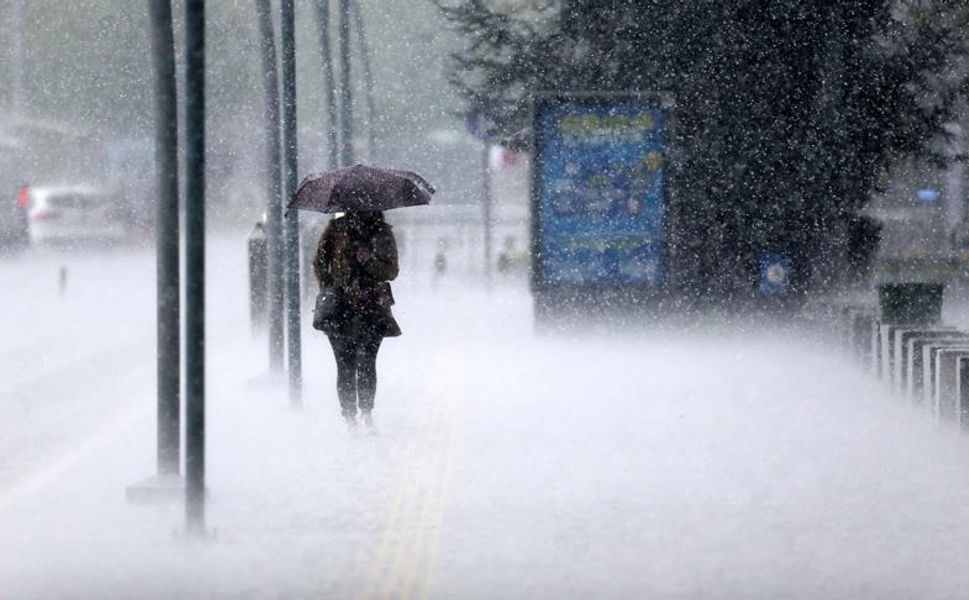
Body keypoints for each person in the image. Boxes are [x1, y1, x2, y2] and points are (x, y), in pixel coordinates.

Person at [312, 210, 400, 431]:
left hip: (372, 307)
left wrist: (369, 261)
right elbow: (319, 262)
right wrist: (330, 286)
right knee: (345, 363)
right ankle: (350, 416)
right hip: (340, 309)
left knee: (367, 362)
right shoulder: (336, 229)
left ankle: (366, 412)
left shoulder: (383, 232)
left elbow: (391, 271)